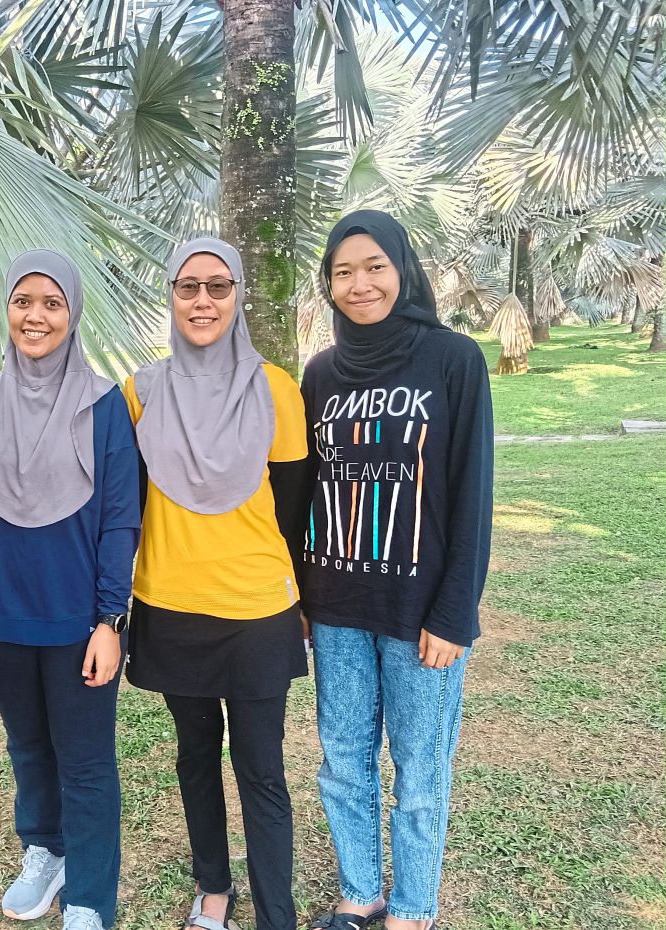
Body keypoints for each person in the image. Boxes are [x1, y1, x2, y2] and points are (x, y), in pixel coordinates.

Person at [299, 210, 493, 930]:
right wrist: (301, 596)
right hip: (337, 605)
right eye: (343, 271)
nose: (360, 284)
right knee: (343, 761)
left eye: (375, 266)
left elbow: (472, 494)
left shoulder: (454, 360)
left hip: (420, 616)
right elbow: (307, 490)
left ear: (403, 270)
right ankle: (361, 894)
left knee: (420, 772)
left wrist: (454, 614)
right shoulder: (320, 373)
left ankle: (412, 909)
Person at [122, 237, 311, 930]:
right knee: (195, 755)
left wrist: (302, 606)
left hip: (257, 610)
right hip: (170, 606)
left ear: (238, 298)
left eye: (218, 286)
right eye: (188, 287)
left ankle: (277, 914)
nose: (203, 301)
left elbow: (292, 512)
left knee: (260, 767)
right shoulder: (140, 392)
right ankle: (213, 888)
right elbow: (129, 505)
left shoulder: (276, 389)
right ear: (170, 296)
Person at [0, 250, 139, 930]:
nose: (35, 315)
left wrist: (110, 619)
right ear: (7, 309)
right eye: (23, 301)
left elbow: (122, 517)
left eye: (51, 303)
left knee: (86, 757)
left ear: (72, 314)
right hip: (1, 613)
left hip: (78, 620)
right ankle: (45, 850)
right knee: (27, 745)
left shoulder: (102, 406)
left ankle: (92, 891)